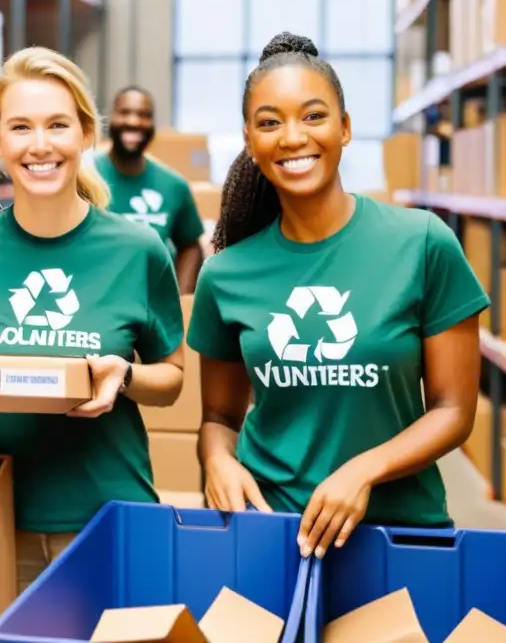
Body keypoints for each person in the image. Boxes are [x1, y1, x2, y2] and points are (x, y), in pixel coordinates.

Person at [189, 32, 489, 562]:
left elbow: (453, 410)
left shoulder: (421, 243)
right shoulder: (226, 274)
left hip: (399, 531)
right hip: (271, 530)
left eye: (313, 116)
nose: (292, 137)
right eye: (269, 122)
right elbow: (219, 418)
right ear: (250, 141)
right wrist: (218, 461)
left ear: (344, 128)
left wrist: (363, 470)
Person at [0, 47, 185, 591]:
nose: (40, 145)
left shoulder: (138, 250)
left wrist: (126, 376)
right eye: (20, 127)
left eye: (57, 125)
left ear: (87, 135)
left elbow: (172, 380)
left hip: (109, 516)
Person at [92, 86, 205, 293]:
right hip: (98, 301)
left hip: (154, 305)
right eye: (125, 112)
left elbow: (190, 246)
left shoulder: (173, 185)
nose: (134, 121)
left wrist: (180, 301)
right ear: (110, 117)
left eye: (144, 115)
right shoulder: (86, 178)